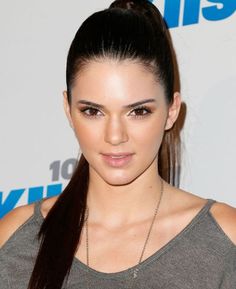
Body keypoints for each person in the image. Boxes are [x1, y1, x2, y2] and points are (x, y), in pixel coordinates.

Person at [0, 0, 236, 288]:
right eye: (93, 111)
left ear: (171, 111)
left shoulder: (224, 241)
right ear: (68, 109)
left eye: (138, 111)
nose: (115, 136)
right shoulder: (14, 239)